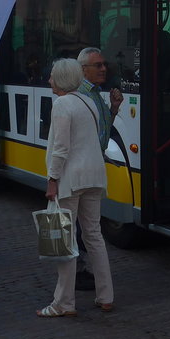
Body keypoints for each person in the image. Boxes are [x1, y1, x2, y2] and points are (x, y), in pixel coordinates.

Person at [37, 58, 114, 317]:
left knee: (66, 242)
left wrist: (52, 179)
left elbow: (61, 147)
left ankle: (63, 303)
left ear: (60, 80)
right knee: (94, 236)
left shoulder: (61, 104)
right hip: (94, 176)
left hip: (71, 178)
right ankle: (106, 296)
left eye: (51, 77)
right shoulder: (88, 102)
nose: (49, 81)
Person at [73, 47, 122, 289]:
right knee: (79, 226)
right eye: (98, 65)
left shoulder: (96, 93)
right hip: (79, 172)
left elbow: (102, 132)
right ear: (83, 70)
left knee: (87, 227)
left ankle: (84, 273)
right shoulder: (78, 96)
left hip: (93, 167)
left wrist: (113, 109)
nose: (104, 69)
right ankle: (77, 271)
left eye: (104, 64)